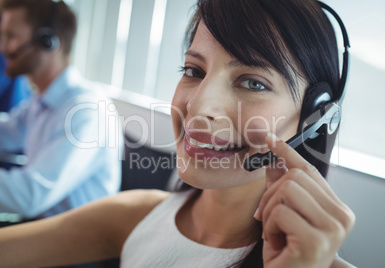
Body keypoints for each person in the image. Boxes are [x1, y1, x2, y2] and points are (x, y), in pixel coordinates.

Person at [0, 0, 356, 267]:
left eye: (252, 82)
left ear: (315, 117)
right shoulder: (134, 215)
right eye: (193, 70)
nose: (198, 107)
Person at [0, 0, 122, 220]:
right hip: (40, 228)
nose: (3, 47)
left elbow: (31, 195)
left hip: (73, 247)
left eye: (12, 36)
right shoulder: (42, 99)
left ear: (48, 42)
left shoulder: (85, 109)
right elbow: (6, 132)